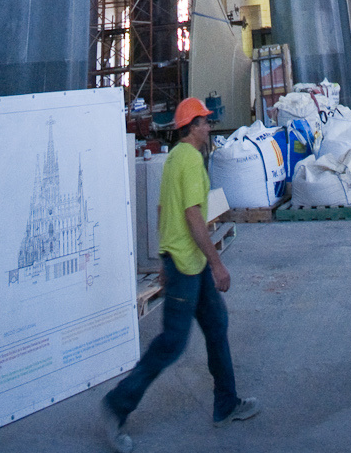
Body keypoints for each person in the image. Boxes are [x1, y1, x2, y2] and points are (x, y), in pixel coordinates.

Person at [101, 97, 258, 451]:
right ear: (191, 128)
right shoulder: (189, 160)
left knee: (216, 325)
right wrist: (216, 263)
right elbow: (191, 214)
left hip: (185, 262)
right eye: (203, 121)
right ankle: (116, 405)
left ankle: (226, 403)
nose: (208, 126)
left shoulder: (173, 160)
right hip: (189, 265)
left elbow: (162, 209)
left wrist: (162, 256)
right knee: (171, 343)